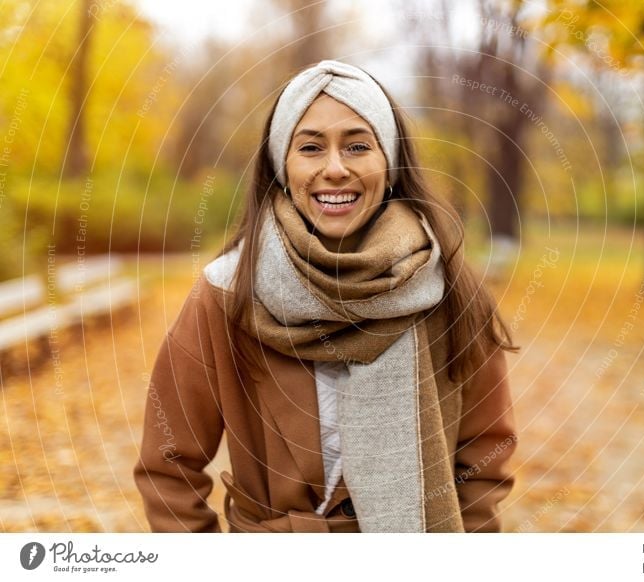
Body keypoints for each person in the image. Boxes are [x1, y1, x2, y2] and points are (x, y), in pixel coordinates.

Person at [133, 59, 518, 533]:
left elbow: (485, 459)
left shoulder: (447, 288)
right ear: (282, 165)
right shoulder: (226, 294)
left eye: (357, 146)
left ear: (390, 163)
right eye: (311, 147)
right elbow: (169, 466)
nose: (335, 169)